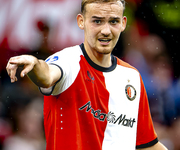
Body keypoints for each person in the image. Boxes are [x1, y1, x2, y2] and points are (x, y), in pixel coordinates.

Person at [6, 0, 168, 149]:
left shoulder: (132, 76)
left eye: (113, 21)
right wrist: (35, 64)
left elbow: (147, 144)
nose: (106, 30)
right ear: (81, 21)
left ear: (123, 23)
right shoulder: (68, 60)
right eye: (97, 21)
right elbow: (47, 75)